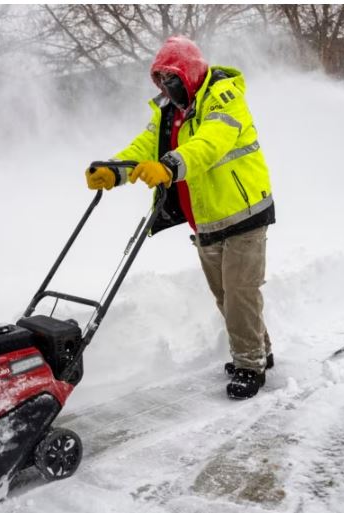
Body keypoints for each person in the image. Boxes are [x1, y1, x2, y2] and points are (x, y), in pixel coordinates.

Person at [85, 36, 276, 400]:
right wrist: (115, 171)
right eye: (161, 81)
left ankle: (251, 365)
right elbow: (145, 148)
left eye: (172, 79)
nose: (167, 88)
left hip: (244, 213)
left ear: (189, 73)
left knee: (239, 295)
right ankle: (260, 351)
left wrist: (170, 166)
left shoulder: (224, 97)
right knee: (227, 297)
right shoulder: (169, 112)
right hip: (205, 221)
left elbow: (210, 142)